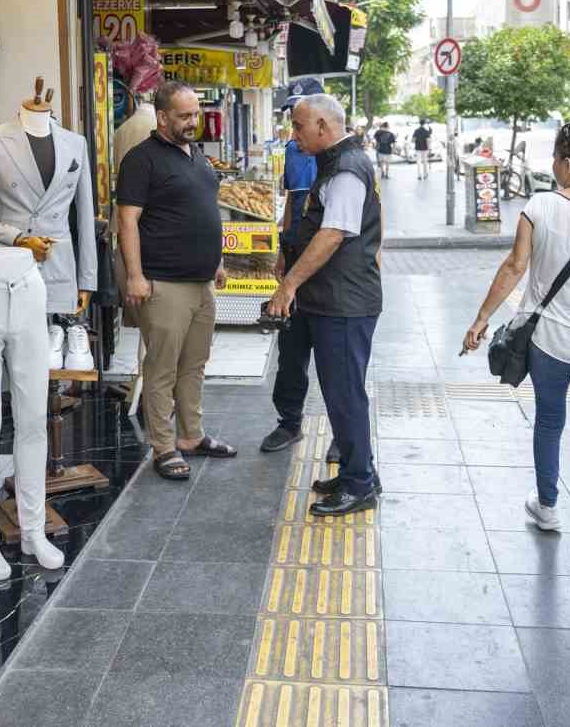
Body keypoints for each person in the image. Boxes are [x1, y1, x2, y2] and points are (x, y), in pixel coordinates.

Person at [462, 120, 570, 574]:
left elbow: (514, 267)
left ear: (565, 161)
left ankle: (546, 506)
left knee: (549, 422)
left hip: (550, 341)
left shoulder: (539, 207)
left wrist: (482, 318)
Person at [264, 94, 383, 516]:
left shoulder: (348, 169)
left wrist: (289, 285)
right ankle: (358, 469)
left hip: (345, 302)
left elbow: (333, 233)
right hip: (335, 299)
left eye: (298, 127)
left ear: (320, 124)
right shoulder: (336, 162)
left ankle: (359, 485)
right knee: (340, 393)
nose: (294, 136)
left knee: (344, 394)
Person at [116, 81, 237, 480]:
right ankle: (163, 447)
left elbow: (204, 211)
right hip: (163, 282)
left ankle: (191, 436)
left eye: (196, 114)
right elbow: (127, 221)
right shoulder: (141, 159)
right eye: (184, 116)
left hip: (202, 281)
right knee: (162, 368)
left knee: (194, 366)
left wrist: (215, 261)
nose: (193, 122)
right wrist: (135, 276)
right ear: (162, 116)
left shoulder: (197, 156)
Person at [261, 83, 322, 458]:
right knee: (291, 349)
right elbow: (292, 200)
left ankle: (344, 436)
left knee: (335, 357)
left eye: (297, 116)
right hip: (295, 252)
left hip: (328, 265)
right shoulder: (291, 150)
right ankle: (289, 422)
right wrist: (283, 248)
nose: (292, 126)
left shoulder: (342, 156)